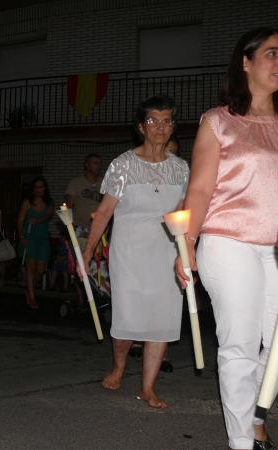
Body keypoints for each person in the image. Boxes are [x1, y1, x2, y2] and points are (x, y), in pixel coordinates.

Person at [176, 28, 278, 450]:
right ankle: (241, 440)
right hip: (228, 240)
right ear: (246, 62)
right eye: (273, 53)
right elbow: (199, 189)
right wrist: (187, 244)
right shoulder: (219, 121)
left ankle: (255, 415)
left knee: (273, 348)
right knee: (239, 345)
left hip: (274, 249)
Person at [82, 95, 189, 409]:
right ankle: (119, 367)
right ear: (141, 127)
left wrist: (189, 248)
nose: (160, 127)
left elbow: (185, 213)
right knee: (128, 313)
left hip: (167, 252)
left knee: (162, 317)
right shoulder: (123, 164)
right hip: (128, 251)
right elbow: (103, 213)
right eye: (153, 120)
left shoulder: (181, 169)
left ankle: (148, 387)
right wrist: (87, 252)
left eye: (167, 120)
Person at [17, 176, 54, 309]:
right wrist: (21, 237)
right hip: (29, 237)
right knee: (30, 268)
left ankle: (29, 287)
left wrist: (38, 221)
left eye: (41, 187)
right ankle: (32, 298)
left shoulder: (49, 202)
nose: (39, 190)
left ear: (45, 188)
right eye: (36, 187)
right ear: (33, 189)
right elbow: (20, 221)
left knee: (41, 269)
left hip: (43, 238)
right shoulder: (27, 202)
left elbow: (49, 215)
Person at [65, 153, 103, 235]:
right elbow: (68, 207)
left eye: (99, 163)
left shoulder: (104, 183)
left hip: (99, 228)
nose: (98, 166)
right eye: (95, 163)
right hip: (80, 228)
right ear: (87, 165)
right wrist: (70, 229)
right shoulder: (76, 183)